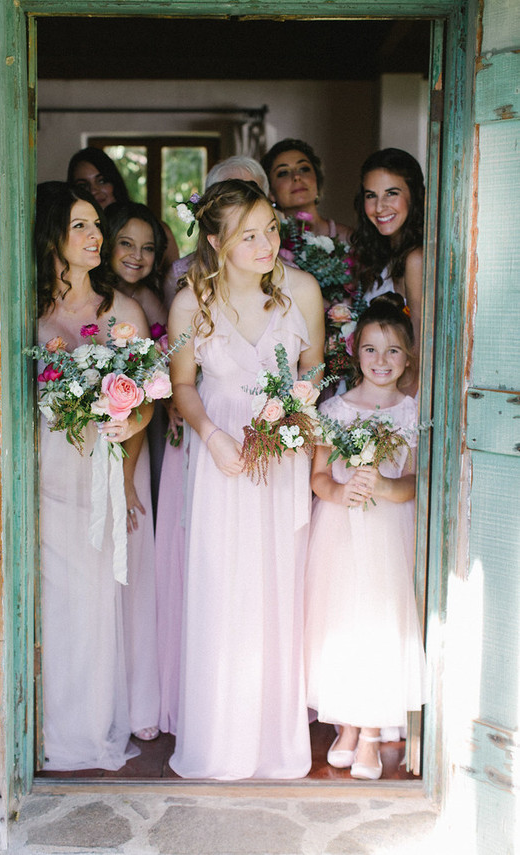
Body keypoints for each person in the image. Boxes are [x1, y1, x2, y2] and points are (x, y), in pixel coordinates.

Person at [167, 179, 325, 779]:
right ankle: (219, 743)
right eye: (249, 235)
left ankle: (272, 744)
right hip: (221, 461)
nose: (267, 245)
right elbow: (183, 386)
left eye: (272, 231)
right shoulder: (190, 304)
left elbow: (316, 372)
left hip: (279, 461)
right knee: (221, 587)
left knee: (276, 590)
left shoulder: (301, 292)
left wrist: (290, 421)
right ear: (216, 242)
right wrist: (212, 435)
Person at [35, 183, 160, 769]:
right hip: (45, 476)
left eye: (95, 227)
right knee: (49, 604)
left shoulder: (121, 311)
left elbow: (149, 403)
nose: (95, 238)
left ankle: (87, 728)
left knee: (93, 603)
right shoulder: (27, 311)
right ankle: (44, 725)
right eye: (81, 226)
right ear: (53, 235)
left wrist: (127, 422)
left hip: (100, 476)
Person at [304, 293, 427, 781]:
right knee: (341, 622)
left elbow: (415, 481)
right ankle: (348, 724)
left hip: (388, 532)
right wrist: (342, 492)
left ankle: (374, 730)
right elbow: (317, 478)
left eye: (393, 350)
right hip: (339, 530)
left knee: (380, 622)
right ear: (356, 353)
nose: (382, 361)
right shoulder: (335, 408)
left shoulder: (410, 410)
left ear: (408, 357)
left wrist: (383, 485)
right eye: (372, 349)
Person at [162, 155, 270, 308]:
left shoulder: (289, 273)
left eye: (251, 194)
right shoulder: (180, 273)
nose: (243, 205)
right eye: (230, 196)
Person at [350, 148, 424, 362]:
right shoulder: (383, 255)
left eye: (391, 193)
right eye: (371, 195)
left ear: (413, 196)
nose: (380, 207)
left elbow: (418, 349)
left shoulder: (415, 259)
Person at [67, 146, 180, 275]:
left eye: (102, 181)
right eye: (83, 185)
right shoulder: (75, 236)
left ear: (115, 183)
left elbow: (175, 280)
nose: (93, 190)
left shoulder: (158, 229)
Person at [261, 138, 351, 243]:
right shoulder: (268, 244)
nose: (296, 176)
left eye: (303, 169)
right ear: (271, 192)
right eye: (283, 173)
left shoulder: (349, 238)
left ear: (317, 179)